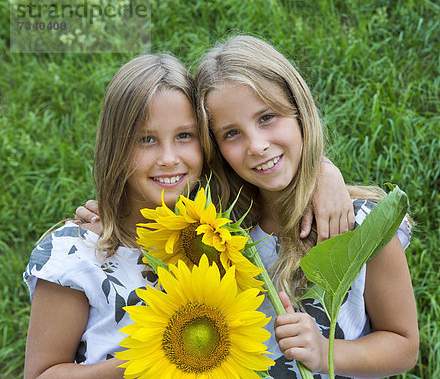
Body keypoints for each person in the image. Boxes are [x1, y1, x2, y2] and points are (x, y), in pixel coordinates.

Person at [26, 53, 353, 379]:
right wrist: (155, 357)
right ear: (116, 148)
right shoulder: (79, 253)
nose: (169, 158)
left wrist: (322, 171)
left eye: (185, 136)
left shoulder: (218, 232)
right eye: (146, 139)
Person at [195, 35, 419, 378]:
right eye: (231, 134)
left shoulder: (361, 226)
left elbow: (403, 347)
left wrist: (325, 352)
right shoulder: (220, 229)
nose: (256, 145)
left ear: (299, 112)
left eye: (267, 117)